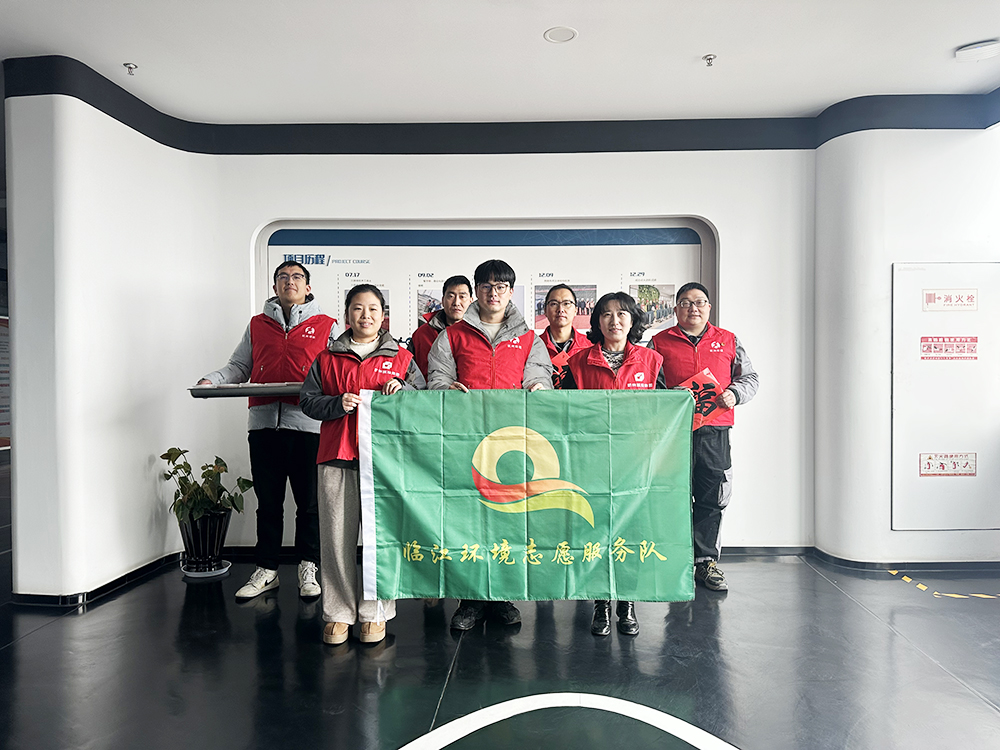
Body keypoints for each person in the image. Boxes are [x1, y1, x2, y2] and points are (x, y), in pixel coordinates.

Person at [199, 261, 339, 601]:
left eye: (297, 277)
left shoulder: (327, 325)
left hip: (308, 427)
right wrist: (211, 380)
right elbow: (239, 366)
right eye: (282, 277)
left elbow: (339, 368)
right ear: (275, 286)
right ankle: (267, 570)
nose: (290, 281)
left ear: (308, 287)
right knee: (268, 504)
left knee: (309, 504)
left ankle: (309, 566)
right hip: (263, 426)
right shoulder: (257, 325)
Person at [427, 259, 553, 630]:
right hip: (465, 439)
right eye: (486, 286)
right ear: (476, 291)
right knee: (468, 519)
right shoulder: (453, 336)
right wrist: (446, 389)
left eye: (500, 286)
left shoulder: (528, 338)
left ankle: (501, 597)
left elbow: (540, 377)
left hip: (513, 441)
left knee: (507, 518)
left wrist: (538, 388)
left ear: (510, 292)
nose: (493, 293)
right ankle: (470, 600)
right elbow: (436, 379)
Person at [300, 284, 425, 645]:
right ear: (347, 314)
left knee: (379, 541)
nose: (365, 315)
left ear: (383, 315)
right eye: (357, 308)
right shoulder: (327, 358)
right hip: (336, 457)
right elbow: (308, 401)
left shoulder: (401, 357)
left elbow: (422, 399)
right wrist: (336, 404)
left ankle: (375, 613)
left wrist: (403, 391)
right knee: (335, 539)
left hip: (384, 461)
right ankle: (338, 613)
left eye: (372, 308)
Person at [562, 292, 665, 636]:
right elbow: (564, 412)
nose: (614, 320)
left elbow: (665, 411)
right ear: (597, 322)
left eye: (622, 313)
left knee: (631, 534)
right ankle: (601, 604)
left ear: (633, 320)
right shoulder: (578, 362)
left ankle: (627, 605)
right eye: (606, 314)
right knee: (595, 532)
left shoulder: (652, 361)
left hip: (636, 463)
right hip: (591, 463)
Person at [648, 282, 758, 592]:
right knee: (673, 495)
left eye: (699, 302)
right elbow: (650, 386)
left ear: (709, 307)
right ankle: (674, 559)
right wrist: (669, 398)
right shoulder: (658, 342)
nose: (692, 308)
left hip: (715, 431)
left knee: (712, 497)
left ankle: (705, 562)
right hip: (673, 433)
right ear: (675, 309)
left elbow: (750, 378)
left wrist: (735, 394)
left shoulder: (728, 340)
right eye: (685, 303)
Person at [409, 276, 473, 379]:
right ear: (443, 300)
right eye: (451, 296)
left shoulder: (480, 336)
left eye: (462, 297)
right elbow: (408, 374)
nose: (456, 303)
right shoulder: (421, 335)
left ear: (471, 301)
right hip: (430, 389)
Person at [539, 284, 590, 388]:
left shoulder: (590, 346)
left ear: (576, 310)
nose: (561, 309)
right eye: (554, 304)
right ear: (545, 310)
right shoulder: (533, 346)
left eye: (566, 303)